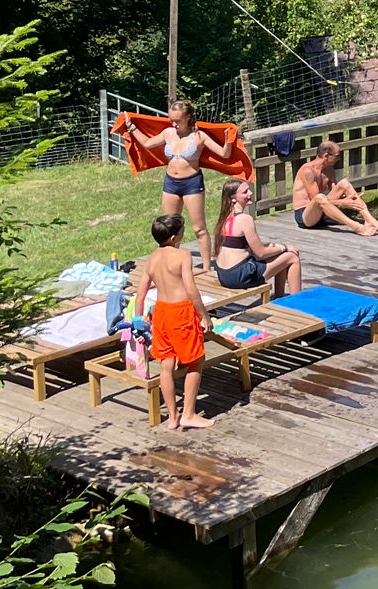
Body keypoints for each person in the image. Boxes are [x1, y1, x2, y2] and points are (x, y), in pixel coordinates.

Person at [120, 100, 231, 270]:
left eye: (177, 120)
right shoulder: (168, 133)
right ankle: (172, 264)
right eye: (171, 119)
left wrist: (228, 140)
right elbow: (148, 144)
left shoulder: (199, 136)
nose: (174, 123)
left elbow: (224, 154)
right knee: (169, 227)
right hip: (171, 183)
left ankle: (207, 267)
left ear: (188, 117)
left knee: (199, 228)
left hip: (192, 183)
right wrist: (131, 127)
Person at [131, 213, 213, 431]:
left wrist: (138, 323)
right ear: (175, 237)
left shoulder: (152, 258)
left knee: (166, 365)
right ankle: (189, 414)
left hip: (161, 314)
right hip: (181, 313)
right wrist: (204, 315)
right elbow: (191, 290)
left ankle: (172, 417)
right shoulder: (182, 256)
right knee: (196, 360)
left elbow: (139, 296)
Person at [213, 178, 303, 296]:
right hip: (239, 275)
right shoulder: (245, 219)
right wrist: (284, 247)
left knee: (279, 256)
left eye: (249, 190)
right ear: (233, 198)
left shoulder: (224, 218)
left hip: (223, 274)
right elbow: (260, 253)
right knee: (292, 257)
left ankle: (279, 297)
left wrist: (278, 249)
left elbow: (247, 249)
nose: (250, 193)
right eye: (245, 192)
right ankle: (297, 301)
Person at [290, 140, 378, 235]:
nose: (339, 158)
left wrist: (349, 197)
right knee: (320, 197)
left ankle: (369, 220)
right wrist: (343, 203)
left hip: (323, 213)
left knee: (344, 183)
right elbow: (315, 199)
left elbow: (335, 192)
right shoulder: (308, 171)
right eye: (337, 156)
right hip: (306, 216)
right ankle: (357, 227)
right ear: (326, 156)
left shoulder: (329, 170)